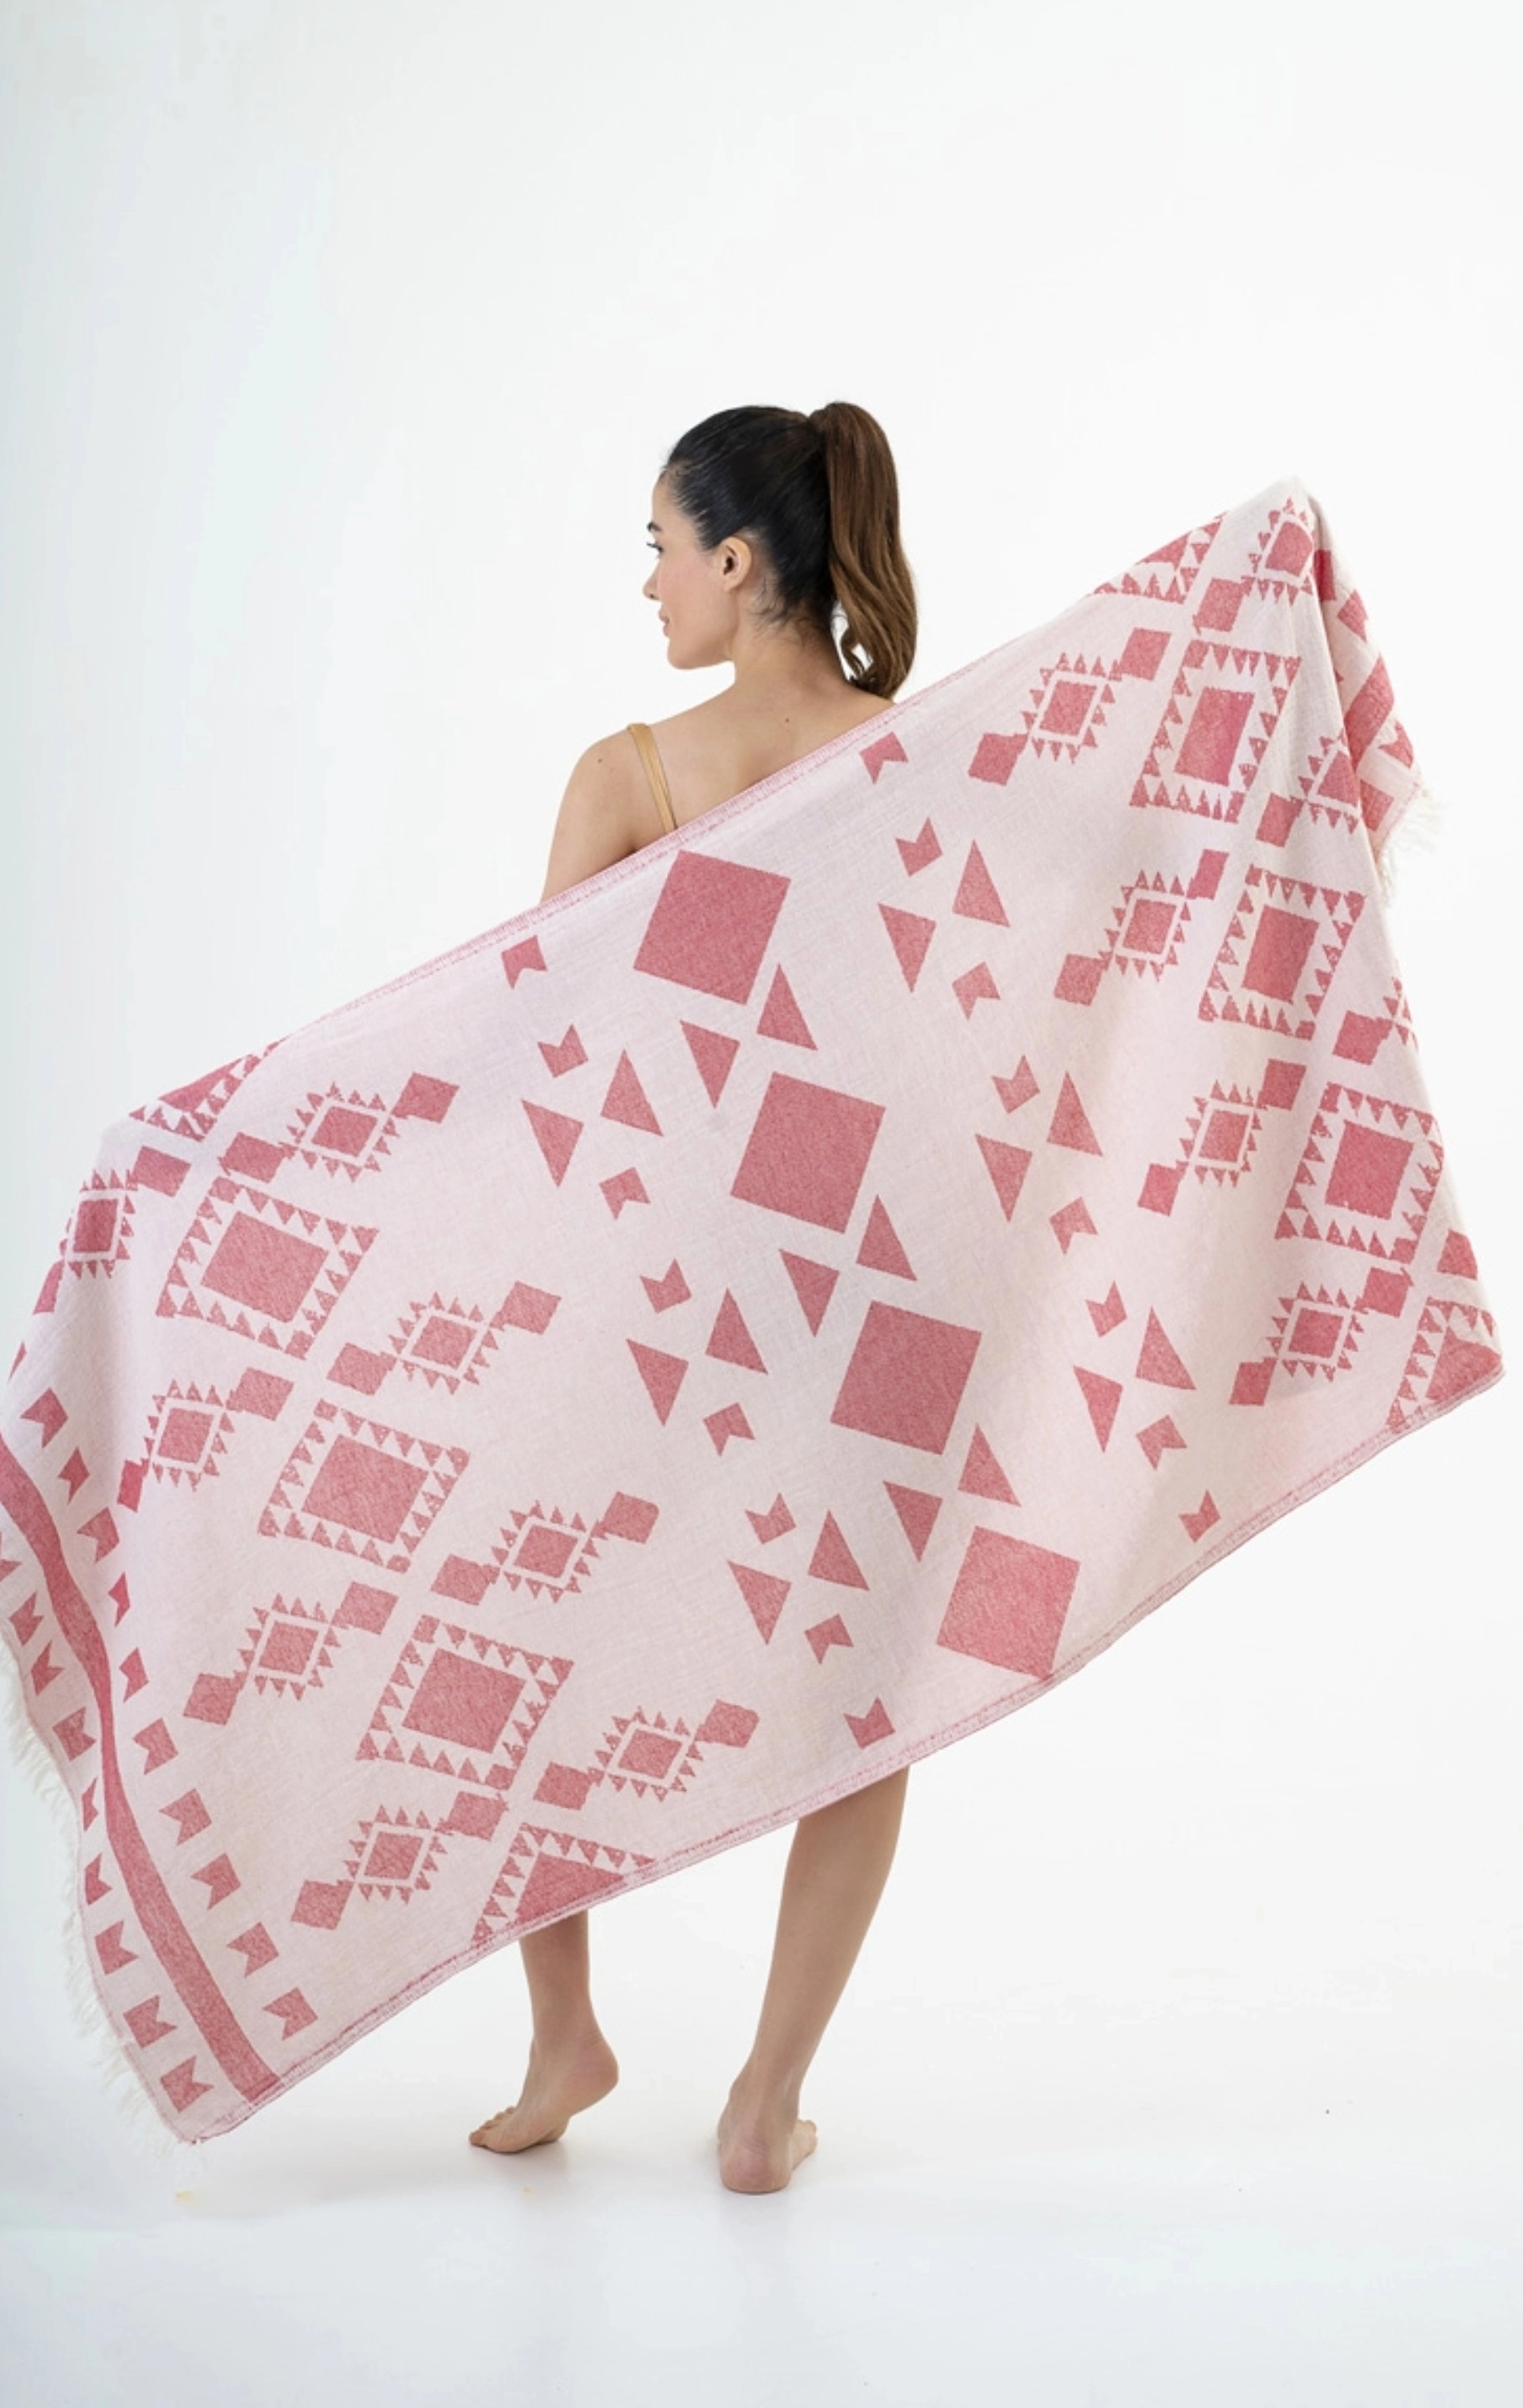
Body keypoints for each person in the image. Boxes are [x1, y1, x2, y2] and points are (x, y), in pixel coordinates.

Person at [469, 401, 920, 2194]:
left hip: (656, 1297)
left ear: (738, 563)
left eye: (660, 548)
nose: (649, 583)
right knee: (868, 1703)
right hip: (867, 1288)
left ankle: (564, 2035)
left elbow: (529, 1060)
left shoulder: (631, 776)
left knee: (534, 1647)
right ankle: (759, 2104)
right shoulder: (918, 755)